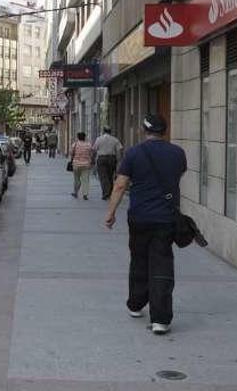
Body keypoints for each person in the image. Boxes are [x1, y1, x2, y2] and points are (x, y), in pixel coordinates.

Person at [103, 114, 187, 336]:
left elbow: (120, 185)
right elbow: (178, 177)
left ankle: (136, 304)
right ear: (165, 131)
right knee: (162, 264)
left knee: (139, 259)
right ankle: (160, 319)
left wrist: (110, 213)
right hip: (166, 217)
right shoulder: (178, 153)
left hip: (139, 217)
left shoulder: (134, 153)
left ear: (144, 130)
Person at [93, 127, 124, 200]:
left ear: (103, 131)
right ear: (110, 132)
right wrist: (119, 160)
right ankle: (110, 192)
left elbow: (94, 149)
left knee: (103, 177)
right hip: (111, 158)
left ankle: (106, 194)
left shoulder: (99, 139)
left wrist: (93, 160)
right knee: (110, 176)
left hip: (102, 159)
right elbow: (120, 149)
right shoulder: (115, 139)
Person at [69, 132, 93, 200]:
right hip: (86, 164)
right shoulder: (88, 145)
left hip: (76, 164)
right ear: (84, 137)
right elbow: (91, 153)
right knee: (85, 180)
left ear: (78, 137)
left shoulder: (75, 144)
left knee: (76, 179)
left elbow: (71, 153)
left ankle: (76, 193)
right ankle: (85, 194)